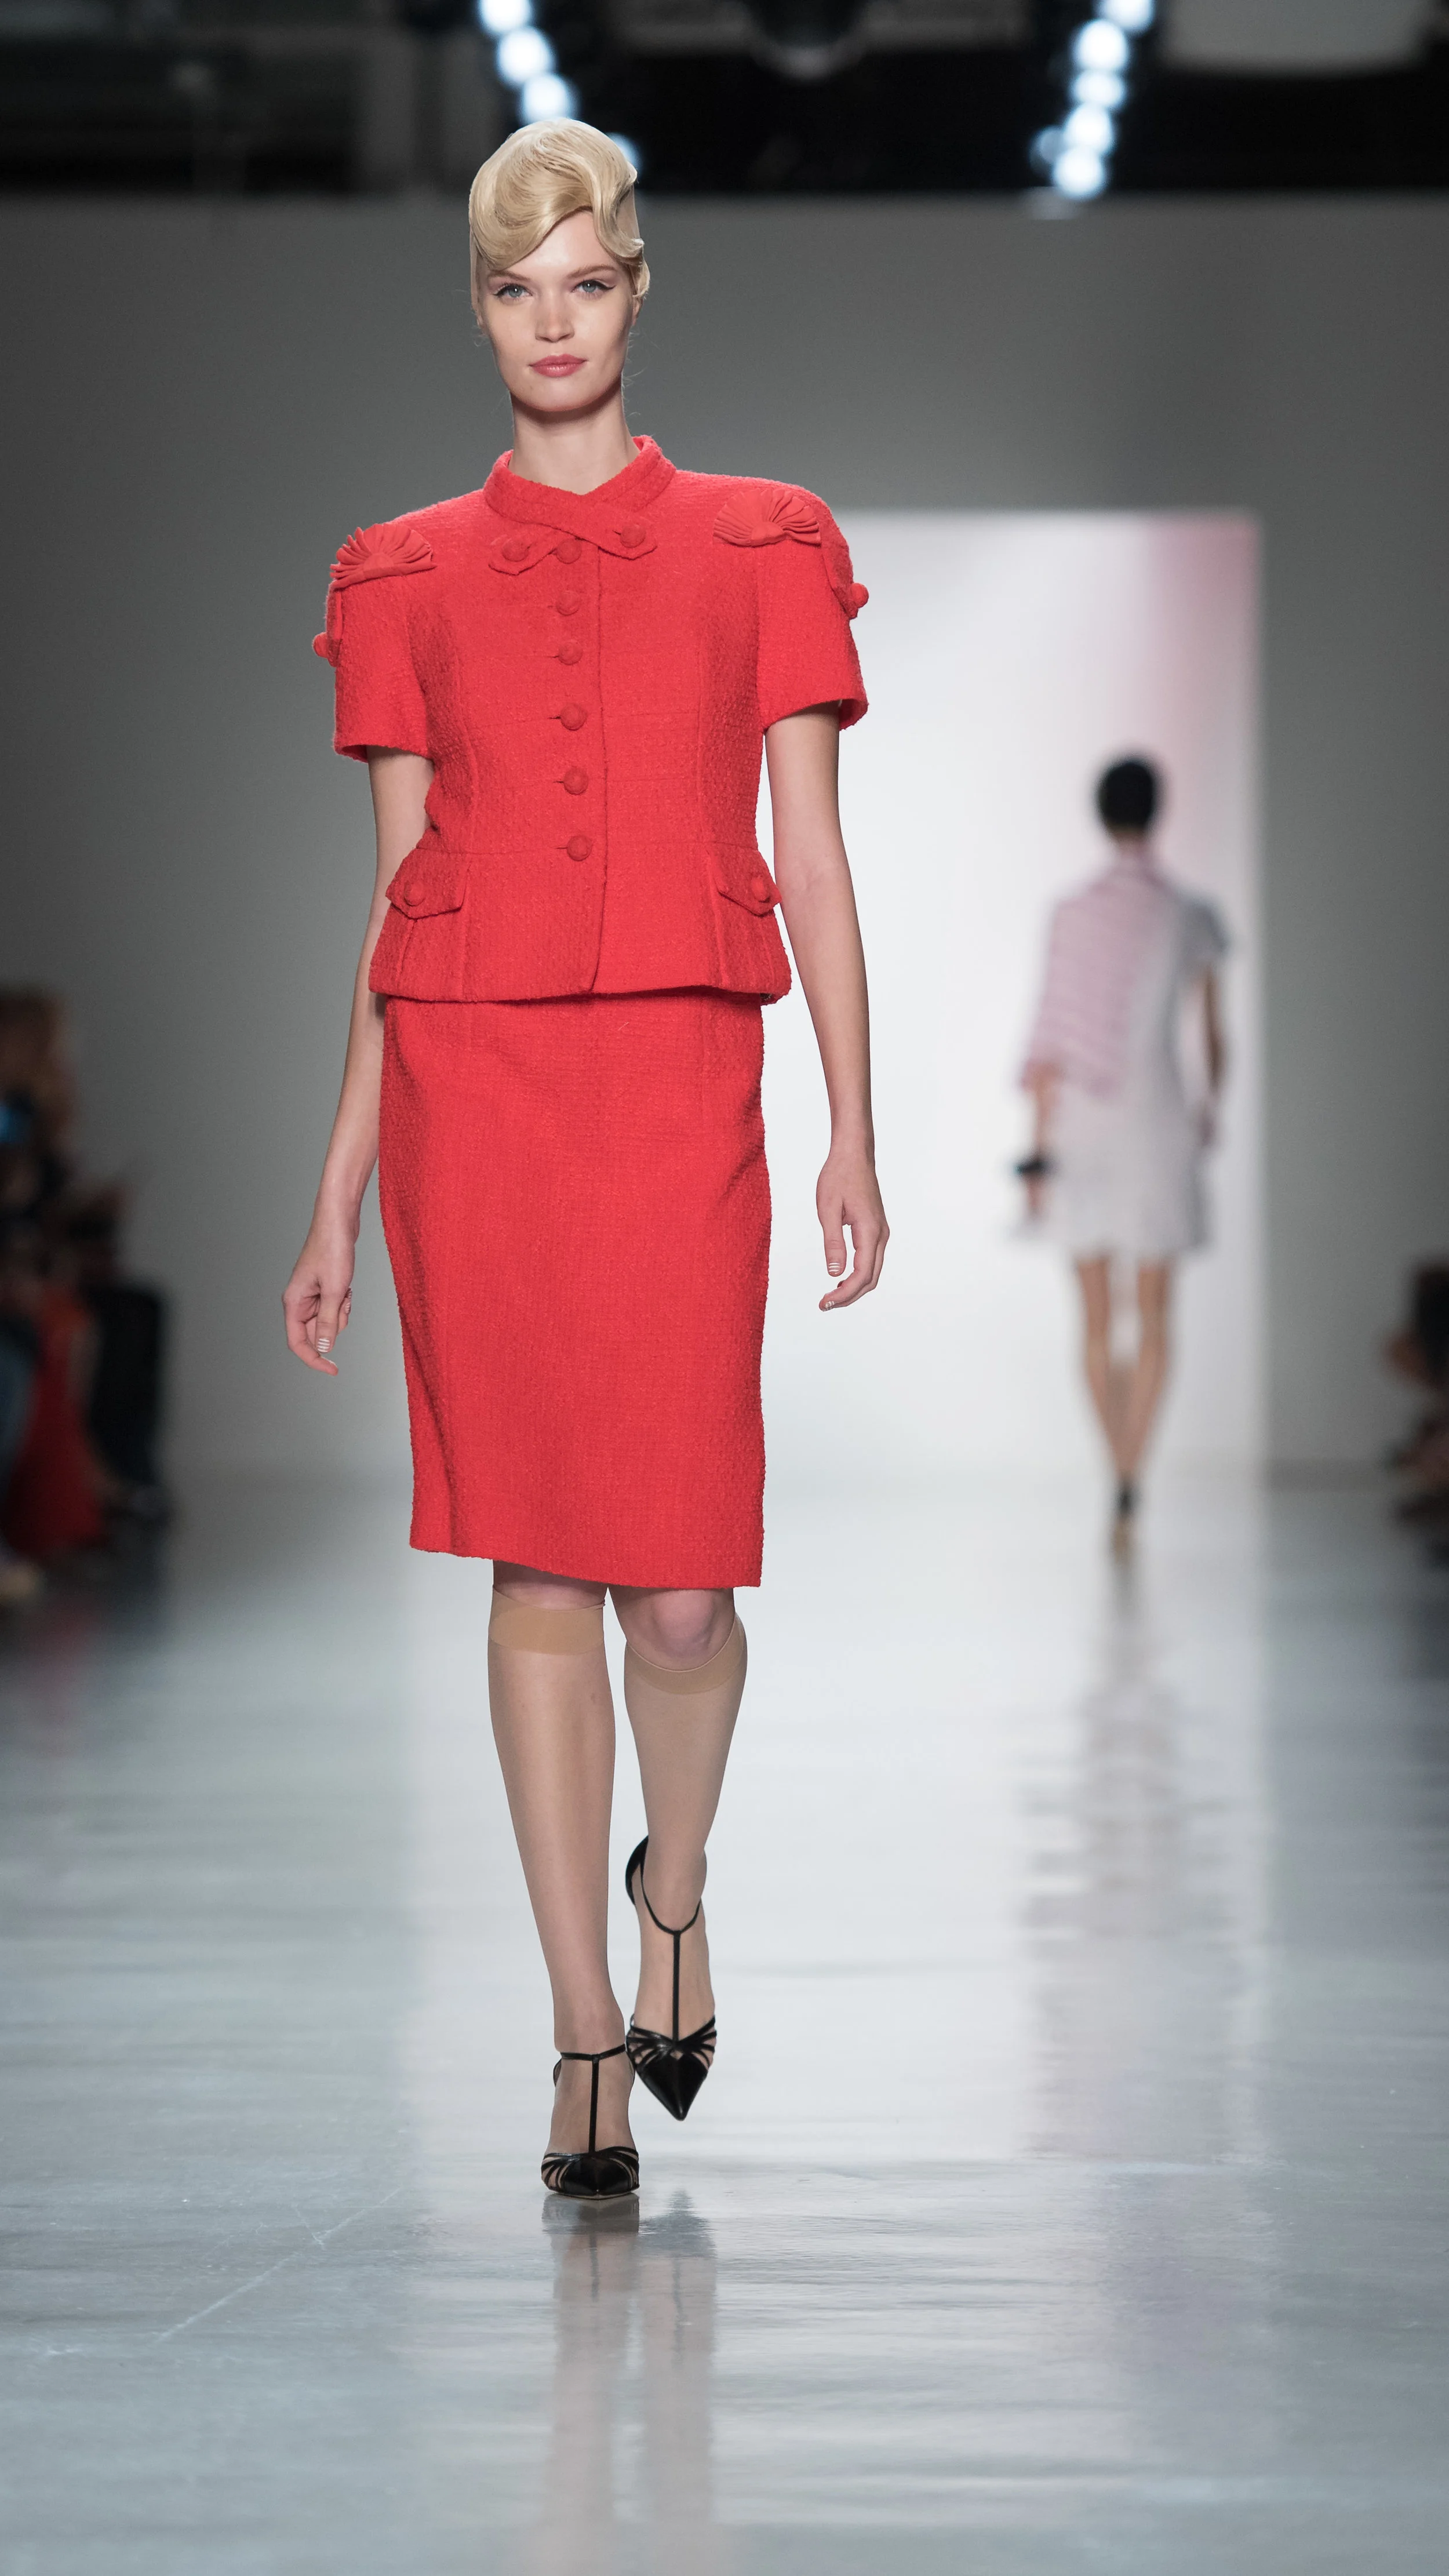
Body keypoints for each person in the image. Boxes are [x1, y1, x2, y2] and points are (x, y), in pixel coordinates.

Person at [283, 123, 887, 2199]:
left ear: (638, 289)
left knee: (687, 1593)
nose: (554, 322)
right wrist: (338, 1186)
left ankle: (673, 1890)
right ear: (479, 309)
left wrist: (853, 1129)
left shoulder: (762, 542)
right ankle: (577, 2035)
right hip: (474, 1099)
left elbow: (814, 857)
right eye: (515, 288)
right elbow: (397, 904)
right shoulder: (399, 574)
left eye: (587, 282)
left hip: (677, 1085)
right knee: (536, 1563)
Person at [1018, 756, 1227, 1552]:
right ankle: (1131, 1476)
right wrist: (1209, 1111)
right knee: (1155, 1315)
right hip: (1155, 1118)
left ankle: (1120, 1476)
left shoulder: (1069, 915)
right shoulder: (1190, 915)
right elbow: (1213, 1039)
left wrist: (1037, 1152)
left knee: (1096, 1318)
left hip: (1081, 1127)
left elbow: (1048, 1038)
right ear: (1157, 810)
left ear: (1101, 814)